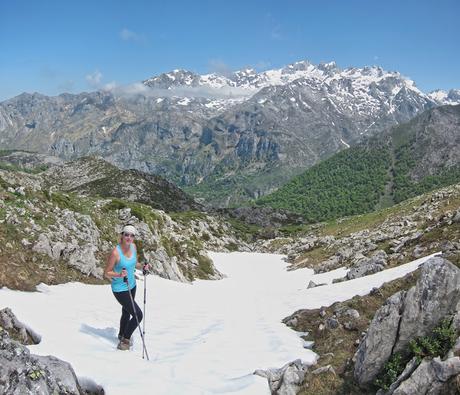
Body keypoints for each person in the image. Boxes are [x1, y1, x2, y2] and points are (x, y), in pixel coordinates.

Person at [104, 224, 149, 351]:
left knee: (126, 312)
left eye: (132, 235)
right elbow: (107, 272)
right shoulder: (115, 252)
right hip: (120, 289)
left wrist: (143, 267)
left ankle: (121, 333)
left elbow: (134, 264)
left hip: (132, 285)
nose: (129, 237)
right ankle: (125, 340)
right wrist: (119, 274)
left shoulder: (133, 247)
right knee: (138, 315)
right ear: (122, 235)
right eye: (126, 234)